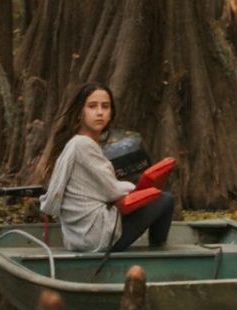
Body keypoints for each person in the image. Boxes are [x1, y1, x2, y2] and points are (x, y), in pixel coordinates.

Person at [39, 82, 175, 252]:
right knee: (165, 200)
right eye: (92, 106)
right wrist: (136, 188)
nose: (100, 112)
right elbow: (111, 191)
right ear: (80, 113)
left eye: (105, 106)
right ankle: (158, 255)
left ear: (111, 113)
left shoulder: (74, 144)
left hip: (77, 239)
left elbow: (53, 201)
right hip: (97, 237)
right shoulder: (83, 145)